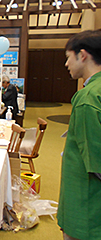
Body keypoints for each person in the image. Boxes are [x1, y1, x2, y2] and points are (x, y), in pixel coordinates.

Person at [57, 30, 101, 240]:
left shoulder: (88, 98)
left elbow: (96, 161)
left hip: (87, 206)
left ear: (82, 55)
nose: (67, 64)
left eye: (68, 57)